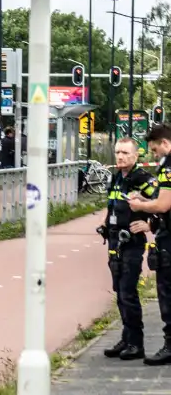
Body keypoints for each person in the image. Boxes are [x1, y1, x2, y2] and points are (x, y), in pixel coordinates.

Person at [98, 137, 158, 360]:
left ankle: (136, 343)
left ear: (135, 156)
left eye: (125, 153)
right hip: (115, 241)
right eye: (118, 153)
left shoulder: (143, 179)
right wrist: (105, 223)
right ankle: (126, 337)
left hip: (131, 242)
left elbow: (164, 203)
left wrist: (149, 224)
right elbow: (112, 204)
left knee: (128, 291)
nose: (120, 157)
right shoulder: (116, 178)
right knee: (119, 291)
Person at [128, 124, 171, 365]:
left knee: (166, 291)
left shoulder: (168, 166)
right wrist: (148, 199)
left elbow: (164, 205)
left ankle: (169, 345)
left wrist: (140, 206)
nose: (155, 155)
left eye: (155, 150)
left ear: (164, 143)